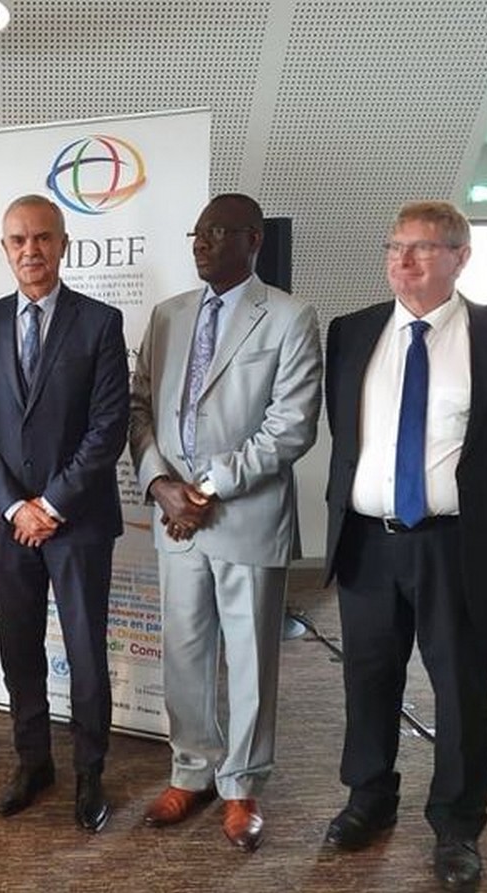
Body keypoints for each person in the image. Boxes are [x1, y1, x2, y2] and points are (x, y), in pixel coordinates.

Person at [323, 201, 487, 889]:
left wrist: (486, 505)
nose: (403, 260)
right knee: (368, 677)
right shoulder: (352, 332)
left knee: (461, 688)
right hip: (368, 541)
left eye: (423, 248)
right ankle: (369, 796)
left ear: (461, 257)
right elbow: (347, 434)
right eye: (394, 246)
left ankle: (458, 824)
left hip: (458, 546)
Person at [129, 193, 322, 850]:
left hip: (244, 516)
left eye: (217, 232)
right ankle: (192, 769)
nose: (202, 243)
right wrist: (161, 485)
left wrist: (204, 490)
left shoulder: (290, 317)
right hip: (173, 518)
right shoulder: (167, 315)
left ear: (253, 239)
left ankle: (241, 785)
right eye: (197, 232)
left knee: (250, 659)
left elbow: (290, 427)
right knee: (184, 652)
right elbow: (139, 408)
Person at [0, 194, 129, 833]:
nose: (30, 250)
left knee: (85, 649)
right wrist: (14, 505)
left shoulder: (100, 323)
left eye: (42, 238)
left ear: (63, 244)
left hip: (77, 519)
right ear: (5, 249)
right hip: (7, 522)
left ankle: (90, 771)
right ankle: (33, 763)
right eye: (18, 240)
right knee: (18, 646)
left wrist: (52, 504)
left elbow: (107, 427)